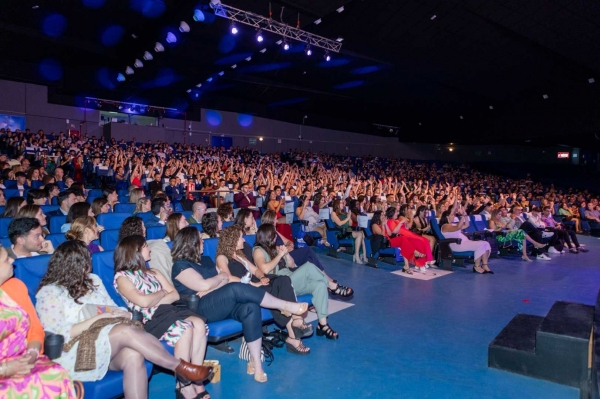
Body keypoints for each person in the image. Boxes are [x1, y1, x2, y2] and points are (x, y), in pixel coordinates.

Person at [36, 241, 212, 399]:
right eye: (85, 262)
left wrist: (120, 314)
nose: (89, 266)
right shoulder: (49, 292)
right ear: (70, 265)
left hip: (106, 342)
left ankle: (183, 372)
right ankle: (181, 368)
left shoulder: (93, 281)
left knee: (133, 356)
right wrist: (99, 319)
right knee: (125, 331)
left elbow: (114, 307)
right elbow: (57, 332)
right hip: (76, 348)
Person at [172, 227, 312, 368]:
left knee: (257, 302)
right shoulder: (180, 265)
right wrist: (219, 279)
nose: (203, 241)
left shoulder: (206, 260)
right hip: (199, 308)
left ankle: (256, 363)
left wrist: (216, 283)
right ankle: (285, 307)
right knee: (237, 288)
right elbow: (208, 283)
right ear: (191, 243)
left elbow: (222, 280)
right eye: (200, 240)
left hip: (218, 298)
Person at [0, 246, 78, 398]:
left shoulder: (15, 287)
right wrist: (5, 369)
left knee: (55, 373)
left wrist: (32, 353)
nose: (12, 260)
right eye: (5, 259)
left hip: (23, 358)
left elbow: (35, 328)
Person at [250, 224, 339, 341]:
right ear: (267, 236)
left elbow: (292, 265)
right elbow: (265, 269)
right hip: (280, 282)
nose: (276, 237)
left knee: (320, 285)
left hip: (290, 276)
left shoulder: (275, 248)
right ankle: (332, 286)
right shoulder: (258, 250)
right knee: (308, 267)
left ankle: (323, 325)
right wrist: (279, 255)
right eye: (273, 235)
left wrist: (286, 255)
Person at [261, 210, 353, 297]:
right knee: (307, 252)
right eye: (275, 219)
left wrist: (289, 246)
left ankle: (328, 282)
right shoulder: (265, 234)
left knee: (309, 258)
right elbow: (268, 249)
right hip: (281, 259)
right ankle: (330, 283)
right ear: (270, 220)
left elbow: (289, 242)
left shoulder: (275, 231)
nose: (277, 221)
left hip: (288, 254)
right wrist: (283, 249)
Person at [385, 207, 434, 273]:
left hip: (406, 235)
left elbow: (407, 228)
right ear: (392, 213)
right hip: (398, 238)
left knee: (422, 241)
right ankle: (416, 256)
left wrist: (408, 221)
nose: (397, 213)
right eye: (396, 212)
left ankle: (421, 263)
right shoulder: (389, 221)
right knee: (414, 241)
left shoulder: (397, 220)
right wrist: (401, 222)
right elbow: (394, 232)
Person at [330, 199, 364, 263]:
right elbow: (339, 223)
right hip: (340, 231)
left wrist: (349, 217)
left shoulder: (344, 212)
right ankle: (356, 255)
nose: (342, 204)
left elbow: (350, 224)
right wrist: (347, 218)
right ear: (337, 205)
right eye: (341, 203)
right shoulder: (333, 213)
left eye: (342, 203)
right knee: (359, 234)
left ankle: (362, 254)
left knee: (362, 233)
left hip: (347, 229)